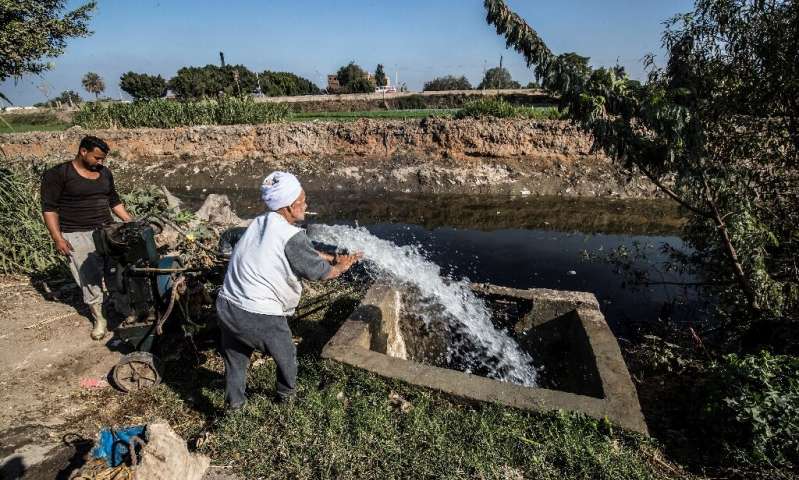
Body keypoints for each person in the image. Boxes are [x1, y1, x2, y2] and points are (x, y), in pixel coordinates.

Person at [216, 171, 362, 409]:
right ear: (290, 207)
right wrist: (341, 266)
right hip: (257, 314)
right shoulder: (292, 236)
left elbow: (299, 250)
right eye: (303, 200)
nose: (306, 204)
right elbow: (322, 273)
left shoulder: (260, 222)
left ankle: (234, 406)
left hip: (227, 305)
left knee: (236, 359)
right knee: (287, 357)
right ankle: (286, 401)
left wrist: (330, 256)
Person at [41, 135, 133, 340]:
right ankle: (99, 318)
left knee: (116, 274)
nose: (100, 162)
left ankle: (123, 309)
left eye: (103, 159)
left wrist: (128, 221)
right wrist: (58, 238)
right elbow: (49, 209)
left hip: (107, 232)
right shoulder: (59, 174)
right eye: (97, 158)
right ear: (83, 151)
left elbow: (114, 201)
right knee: (89, 279)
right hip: (77, 234)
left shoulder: (104, 173)